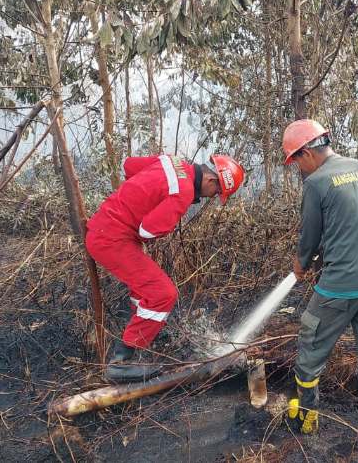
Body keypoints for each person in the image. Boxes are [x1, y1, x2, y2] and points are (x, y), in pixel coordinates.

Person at [281, 119, 358, 446]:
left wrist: (301, 264)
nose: (299, 170)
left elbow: (310, 239)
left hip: (339, 288)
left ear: (306, 152)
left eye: (296, 162)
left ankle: (307, 418)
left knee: (310, 344)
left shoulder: (317, 183)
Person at [86, 154, 245, 381]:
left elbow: (129, 166)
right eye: (217, 193)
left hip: (105, 228)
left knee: (144, 290)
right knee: (163, 294)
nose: (213, 197)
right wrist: (166, 216)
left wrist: (140, 197)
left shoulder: (173, 161)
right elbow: (147, 230)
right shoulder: (183, 193)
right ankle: (120, 363)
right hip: (112, 239)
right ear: (211, 180)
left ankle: (136, 343)